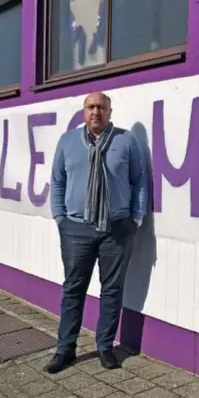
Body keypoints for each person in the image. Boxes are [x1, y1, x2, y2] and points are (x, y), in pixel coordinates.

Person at [45, 91, 148, 373]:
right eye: (91, 107)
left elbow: (139, 182)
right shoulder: (67, 141)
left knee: (112, 291)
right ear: (83, 111)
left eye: (101, 107)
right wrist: (60, 217)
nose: (96, 112)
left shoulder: (126, 141)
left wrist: (135, 219)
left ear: (110, 111)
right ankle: (65, 350)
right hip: (76, 229)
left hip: (116, 228)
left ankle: (105, 347)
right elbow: (57, 181)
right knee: (73, 290)